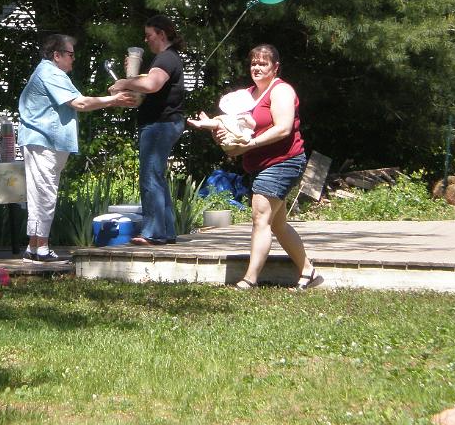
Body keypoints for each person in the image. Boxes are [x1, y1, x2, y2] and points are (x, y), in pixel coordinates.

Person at [18, 34, 137, 262]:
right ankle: (41, 249)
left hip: (44, 143)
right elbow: (80, 103)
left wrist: (110, 100)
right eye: (71, 55)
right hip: (44, 143)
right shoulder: (50, 73)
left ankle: (33, 248)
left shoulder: (50, 72)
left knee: (40, 193)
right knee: (44, 194)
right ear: (57, 55)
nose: (74, 59)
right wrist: (114, 100)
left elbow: (79, 100)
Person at [211, 44, 320, 290]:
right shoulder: (247, 95)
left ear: (275, 67)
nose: (257, 67)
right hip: (259, 164)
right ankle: (308, 271)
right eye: (253, 63)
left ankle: (250, 279)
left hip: (284, 161)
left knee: (260, 215)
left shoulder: (281, 91)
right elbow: (233, 125)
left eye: (263, 63)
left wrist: (249, 144)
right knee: (277, 224)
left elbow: (283, 128)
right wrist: (215, 130)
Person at [108, 15, 186, 245]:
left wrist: (124, 82)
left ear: (161, 34)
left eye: (149, 35)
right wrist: (133, 78)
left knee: (150, 177)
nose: (146, 39)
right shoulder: (166, 59)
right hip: (164, 123)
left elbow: (152, 85)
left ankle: (154, 233)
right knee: (157, 177)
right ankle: (167, 231)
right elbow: (148, 87)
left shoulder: (166, 58)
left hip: (160, 125)